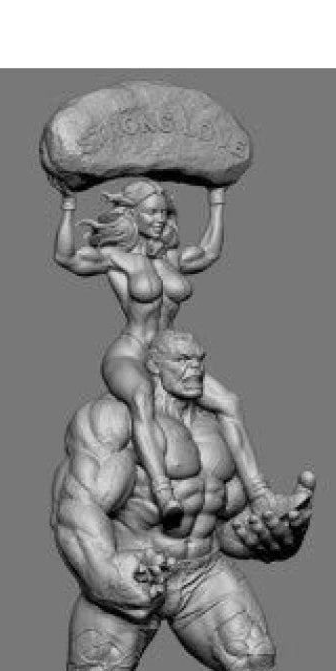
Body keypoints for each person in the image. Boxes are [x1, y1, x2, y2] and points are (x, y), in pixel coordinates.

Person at [28, 329, 318, 671]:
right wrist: (104, 574)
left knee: (253, 657)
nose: (195, 368)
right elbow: (76, 506)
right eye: (181, 359)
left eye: (199, 358)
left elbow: (225, 524)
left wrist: (274, 535)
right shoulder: (113, 420)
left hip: (202, 570)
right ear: (153, 366)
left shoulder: (217, 428)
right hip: (138, 568)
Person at [53, 178, 274, 526]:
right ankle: (163, 492)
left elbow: (210, 252)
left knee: (229, 402)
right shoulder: (117, 258)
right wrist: (68, 205)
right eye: (151, 213)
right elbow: (65, 257)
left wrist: (217, 199)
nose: (159, 219)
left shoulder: (172, 258)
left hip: (169, 355)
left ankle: (261, 496)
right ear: (132, 215)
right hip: (130, 352)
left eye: (164, 213)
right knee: (141, 396)